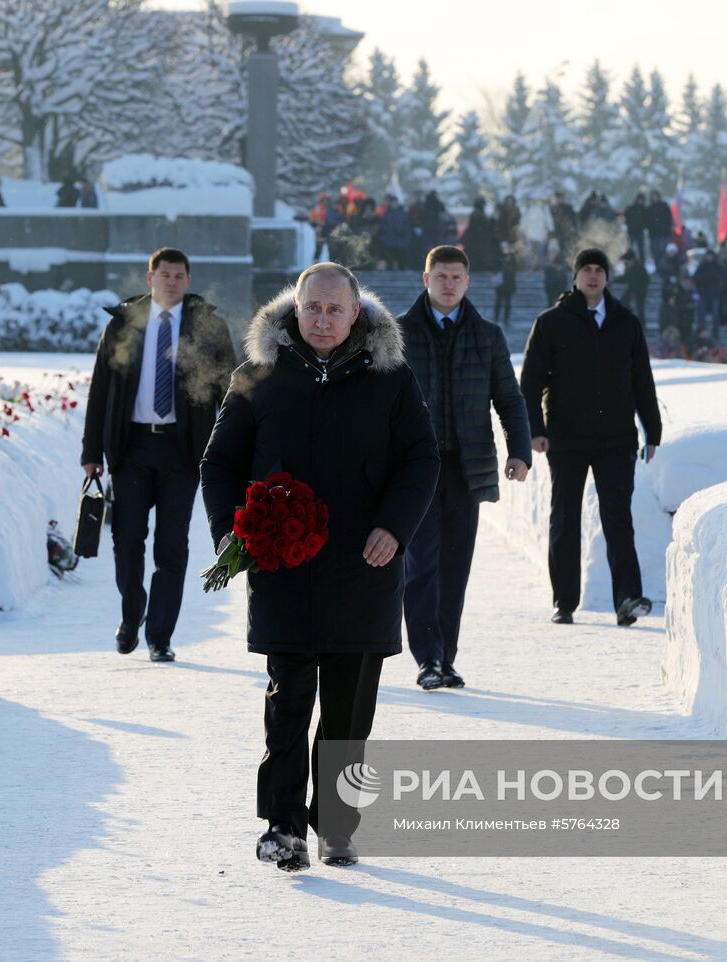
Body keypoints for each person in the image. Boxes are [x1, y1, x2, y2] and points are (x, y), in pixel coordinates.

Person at [200, 262, 438, 872]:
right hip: (284, 567)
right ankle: (283, 825)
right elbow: (220, 464)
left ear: (357, 312)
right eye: (314, 308)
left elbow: (420, 461)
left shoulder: (391, 379)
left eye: (336, 309)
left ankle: (336, 824)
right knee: (287, 701)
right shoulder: (258, 377)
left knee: (349, 708)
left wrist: (394, 526)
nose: (324, 319)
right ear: (294, 308)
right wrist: (236, 534)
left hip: (364, 565)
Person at [81, 248, 237, 662]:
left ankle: (161, 635)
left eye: (179, 275)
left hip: (182, 451)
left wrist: (238, 446)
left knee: (173, 545)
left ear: (188, 281)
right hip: (132, 447)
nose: (171, 281)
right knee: (126, 539)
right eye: (164, 274)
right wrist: (91, 452)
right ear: (150, 277)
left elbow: (229, 393)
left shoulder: (208, 327)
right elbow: (100, 390)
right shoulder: (123, 325)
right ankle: (132, 614)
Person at [398, 246, 532, 690]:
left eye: (457, 277)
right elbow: (380, 403)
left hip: (466, 468)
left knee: (455, 567)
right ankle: (427, 659)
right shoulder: (399, 333)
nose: (449, 284)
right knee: (421, 565)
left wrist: (519, 450)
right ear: (426, 279)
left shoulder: (487, 335)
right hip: (416, 469)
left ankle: (445, 658)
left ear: (468, 282)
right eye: (441, 276)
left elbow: (509, 399)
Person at [519, 248, 661, 628]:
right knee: (564, 517)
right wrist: (536, 430)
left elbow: (642, 381)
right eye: (586, 270)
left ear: (608, 277)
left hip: (616, 438)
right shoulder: (551, 323)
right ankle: (564, 600)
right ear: (575, 276)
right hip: (566, 437)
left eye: (600, 270)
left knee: (618, 517)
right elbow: (530, 382)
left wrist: (653, 430)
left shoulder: (626, 323)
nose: (593, 276)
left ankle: (627, 598)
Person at [460, 197, 499, 272]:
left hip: (475, 241)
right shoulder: (478, 214)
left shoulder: (476, 213)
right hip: (477, 241)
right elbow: (481, 228)